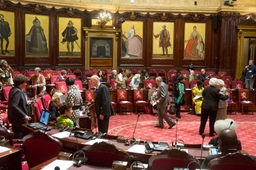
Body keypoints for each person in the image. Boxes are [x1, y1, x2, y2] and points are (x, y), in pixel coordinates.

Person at [8, 74, 31, 138]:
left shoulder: (13, 89)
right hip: (18, 118)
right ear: (20, 83)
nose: (26, 84)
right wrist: (24, 115)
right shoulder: (18, 92)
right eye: (25, 83)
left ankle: (17, 146)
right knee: (24, 135)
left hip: (13, 116)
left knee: (17, 135)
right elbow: (14, 105)